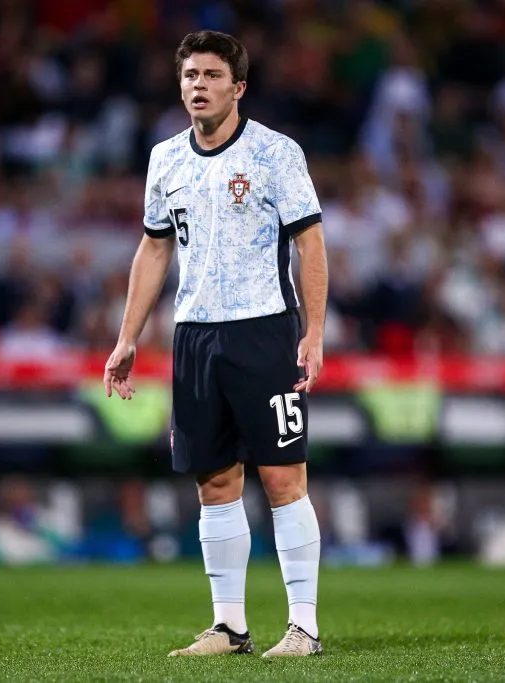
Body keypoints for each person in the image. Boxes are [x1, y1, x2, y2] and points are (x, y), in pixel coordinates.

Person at [104, 31, 328, 658]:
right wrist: (127, 338)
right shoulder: (165, 160)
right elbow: (154, 248)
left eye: (209, 76)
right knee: (215, 483)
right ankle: (229, 627)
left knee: (284, 478)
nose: (196, 86)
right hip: (195, 335)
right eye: (188, 76)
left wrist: (314, 331)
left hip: (264, 329)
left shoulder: (276, 154)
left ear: (238, 87)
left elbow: (310, 242)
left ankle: (303, 626)